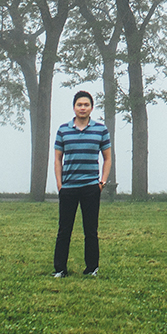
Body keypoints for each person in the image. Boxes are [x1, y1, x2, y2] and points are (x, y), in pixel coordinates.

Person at [53, 89, 113, 277]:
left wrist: (102, 182)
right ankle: (60, 269)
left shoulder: (100, 130)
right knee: (64, 230)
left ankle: (92, 268)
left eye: (86, 104)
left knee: (91, 230)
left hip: (90, 188)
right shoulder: (63, 130)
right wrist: (59, 185)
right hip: (68, 188)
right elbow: (57, 159)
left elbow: (108, 158)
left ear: (91, 108)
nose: (82, 108)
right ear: (74, 107)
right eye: (79, 104)